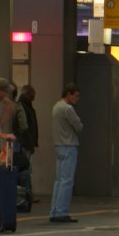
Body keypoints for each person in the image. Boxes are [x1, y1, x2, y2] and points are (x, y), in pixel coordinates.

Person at [50, 83, 82, 223]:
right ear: (68, 94)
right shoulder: (68, 109)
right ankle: (61, 212)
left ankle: (54, 211)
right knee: (67, 180)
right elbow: (79, 126)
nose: (77, 99)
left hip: (59, 145)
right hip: (69, 146)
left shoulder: (56, 106)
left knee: (59, 180)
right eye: (76, 96)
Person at [17, 84, 38, 204]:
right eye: (33, 94)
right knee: (26, 169)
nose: (34, 96)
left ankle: (27, 194)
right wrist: (31, 143)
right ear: (28, 94)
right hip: (25, 143)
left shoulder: (26, 106)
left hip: (27, 143)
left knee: (27, 169)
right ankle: (27, 195)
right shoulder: (24, 107)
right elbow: (25, 127)